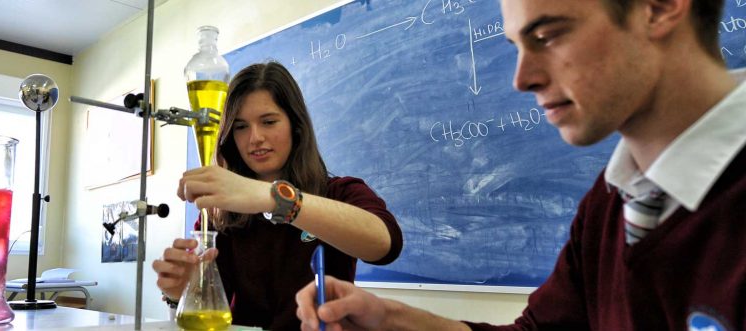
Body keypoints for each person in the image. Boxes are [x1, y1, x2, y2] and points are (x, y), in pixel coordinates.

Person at [296, 0, 746, 330]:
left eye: (548, 35)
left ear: (660, 7)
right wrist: (386, 317)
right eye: (515, 45)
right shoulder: (611, 202)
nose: (521, 78)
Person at [152, 62, 404, 330]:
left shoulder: (339, 192)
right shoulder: (220, 213)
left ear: (295, 125)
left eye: (269, 121)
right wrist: (181, 290)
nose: (255, 138)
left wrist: (276, 198)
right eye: (240, 127)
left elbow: (384, 245)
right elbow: (210, 304)